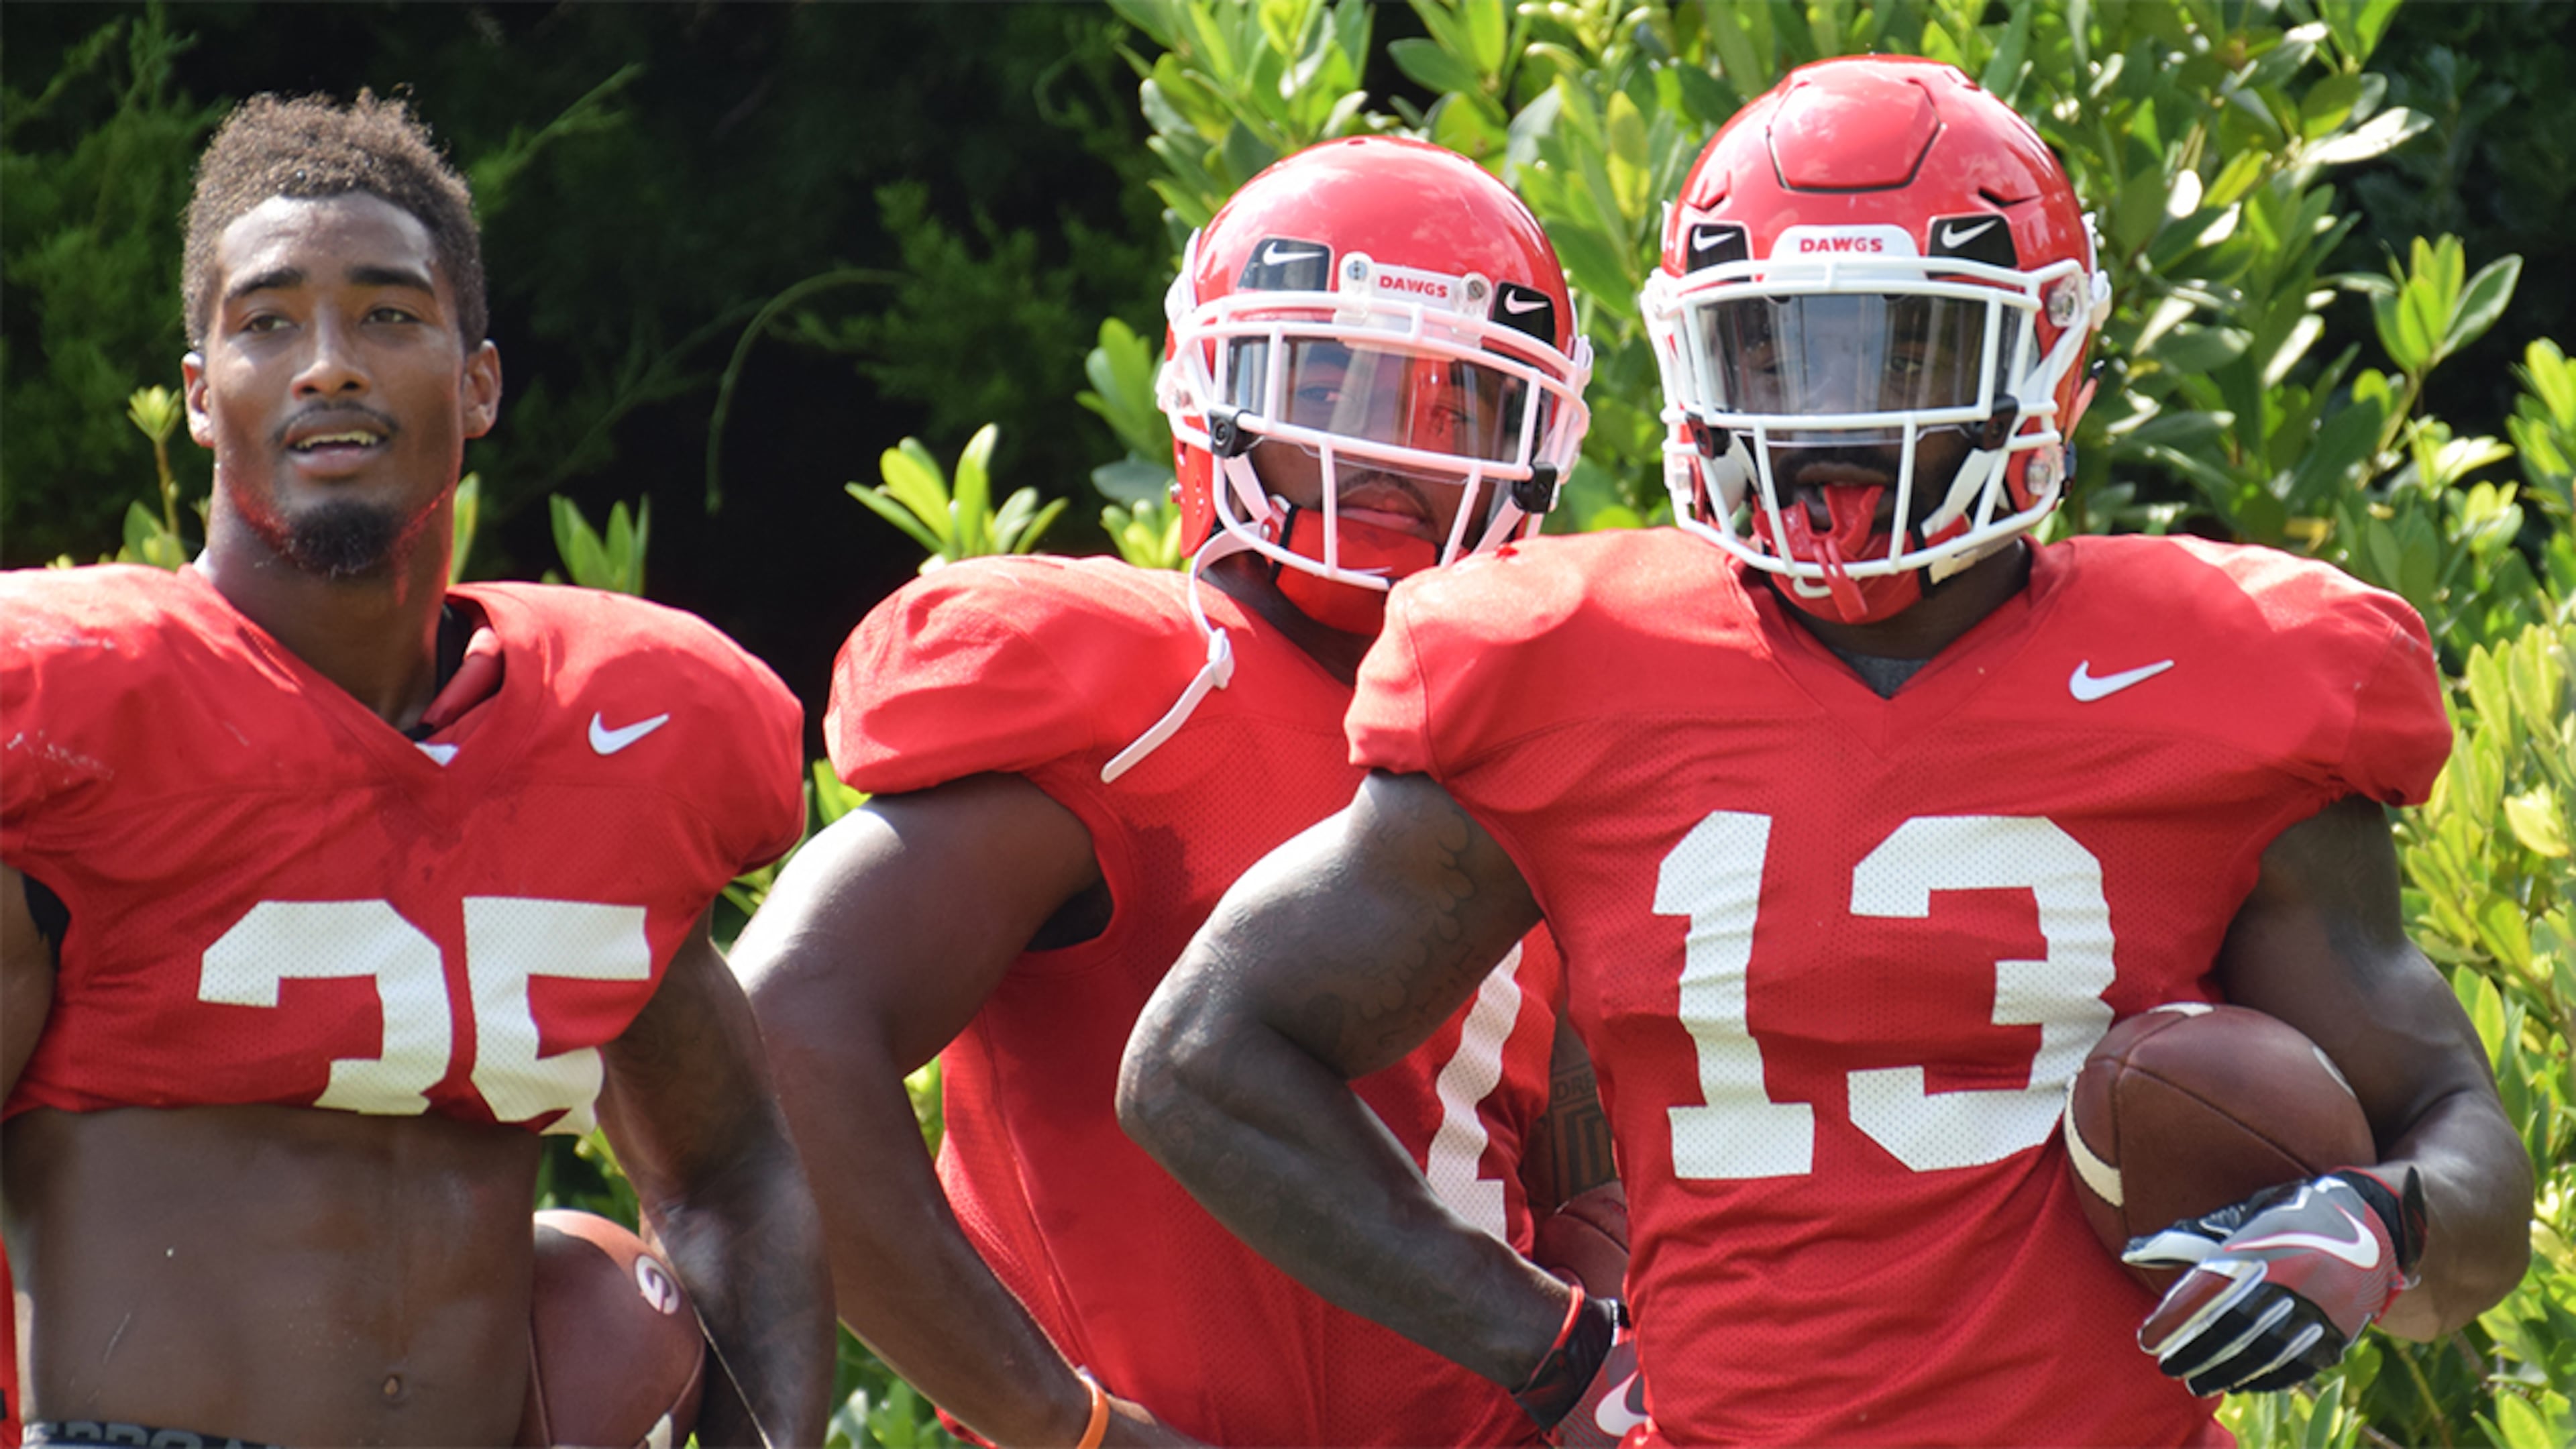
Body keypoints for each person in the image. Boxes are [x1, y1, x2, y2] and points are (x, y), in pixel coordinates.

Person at [1120, 55, 2535, 1447]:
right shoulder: (1562, 667)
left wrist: (2378, 1225)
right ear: (1692, 356)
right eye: (1778, 348)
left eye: (1908, 346)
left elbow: (2461, 1148)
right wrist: (1540, 1348)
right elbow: (1204, 1059)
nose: (1841, 418)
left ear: (2048, 353)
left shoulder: (2231, 674)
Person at [731, 136, 1617, 1446]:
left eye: (1451, 406)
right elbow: (776, 1038)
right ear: (1206, 390)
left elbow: (1574, 1172)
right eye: (1328, 381)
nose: (1378, 453)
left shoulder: (1529, 736)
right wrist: (1057, 1421)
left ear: (1537, 444)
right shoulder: (1151, 688)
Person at [0, 93, 832, 1448]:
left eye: (388, 315)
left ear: (478, 382)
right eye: (268, 322)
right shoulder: (79, 725)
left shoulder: (600, 749)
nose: (329, 364)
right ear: (203, 396)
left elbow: (733, 1169)